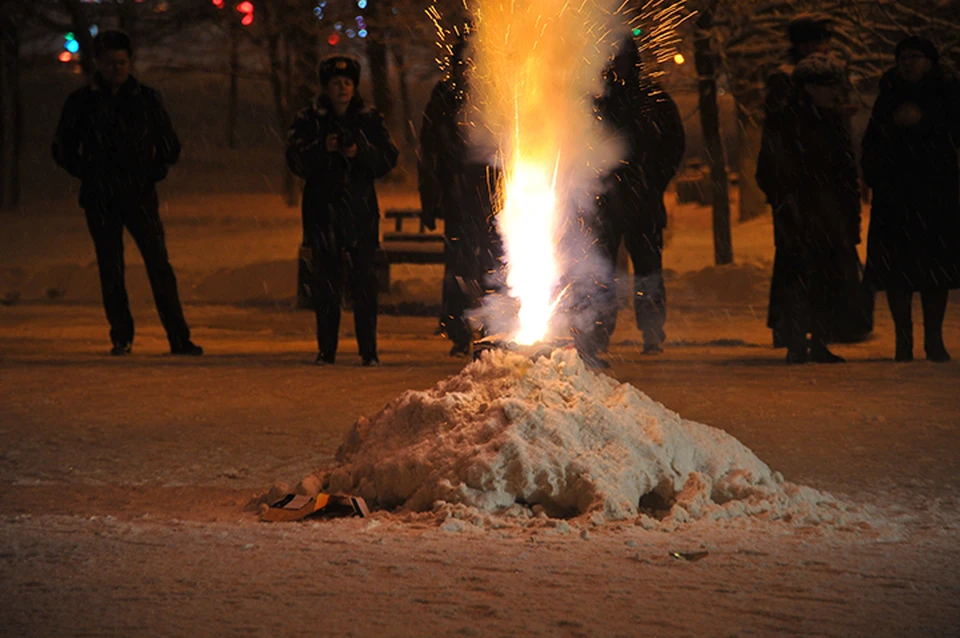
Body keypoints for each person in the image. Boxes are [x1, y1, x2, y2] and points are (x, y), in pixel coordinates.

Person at [52, 30, 201, 357]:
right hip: (102, 197)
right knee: (112, 267)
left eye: (122, 62)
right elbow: (62, 148)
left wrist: (151, 171)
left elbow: (169, 144)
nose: (118, 69)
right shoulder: (83, 103)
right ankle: (123, 335)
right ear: (98, 64)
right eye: (111, 63)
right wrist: (90, 170)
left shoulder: (144, 100)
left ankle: (176, 335)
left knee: (157, 265)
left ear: (129, 63)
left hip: (137, 194)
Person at [286, 55, 399, 366]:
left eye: (348, 82)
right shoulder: (309, 119)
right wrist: (323, 149)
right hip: (323, 213)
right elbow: (295, 160)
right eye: (336, 83)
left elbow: (388, 158)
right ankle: (327, 349)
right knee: (326, 286)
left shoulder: (369, 119)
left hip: (360, 214)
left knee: (365, 284)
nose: (342, 88)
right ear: (326, 86)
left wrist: (359, 151)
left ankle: (368, 350)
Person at [585, 35, 685, 365]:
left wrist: (653, 178)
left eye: (621, 59)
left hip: (641, 197)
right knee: (602, 270)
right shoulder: (596, 100)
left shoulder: (652, 100)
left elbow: (673, 145)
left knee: (647, 268)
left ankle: (652, 332)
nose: (616, 65)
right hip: (605, 200)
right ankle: (598, 332)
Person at [756, 53, 862, 364]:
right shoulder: (790, 119)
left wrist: (847, 210)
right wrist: (787, 199)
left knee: (824, 276)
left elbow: (845, 171)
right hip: (801, 212)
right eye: (829, 86)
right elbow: (770, 167)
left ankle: (817, 338)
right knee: (800, 275)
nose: (835, 92)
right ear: (810, 88)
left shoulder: (830, 118)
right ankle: (797, 340)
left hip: (825, 213)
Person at [861, 37, 960, 362]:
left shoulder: (947, 93)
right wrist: (875, 173)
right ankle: (903, 341)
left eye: (915, 57)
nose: (908, 62)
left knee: (935, 273)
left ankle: (934, 339)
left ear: (930, 61)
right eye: (903, 57)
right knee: (896, 274)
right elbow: (872, 141)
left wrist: (925, 122)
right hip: (896, 200)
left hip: (936, 197)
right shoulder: (889, 93)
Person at [418, 36, 502, 357]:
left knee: (494, 264)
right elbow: (429, 152)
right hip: (459, 198)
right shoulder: (446, 96)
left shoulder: (498, 95)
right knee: (459, 265)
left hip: (496, 201)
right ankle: (458, 330)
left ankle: (494, 329)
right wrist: (431, 197)